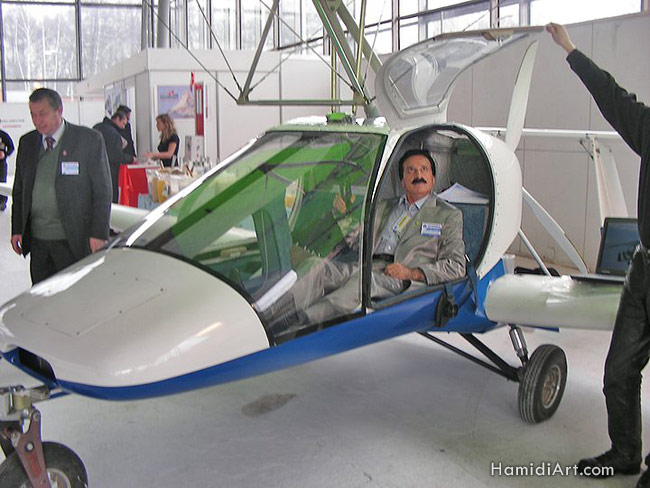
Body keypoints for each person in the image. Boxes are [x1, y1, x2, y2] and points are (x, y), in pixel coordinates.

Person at [547, 23, 650, 487]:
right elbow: (611, 96)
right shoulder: (649, 127)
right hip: (644, 268)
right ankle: (625, 453)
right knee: (618, 370)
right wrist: (569, 49)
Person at [283, 149, 466, 327]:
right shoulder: (384, 206)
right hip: (367, 267)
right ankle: (280, 313)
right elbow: (359, 244)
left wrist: (412, 273)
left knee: (361, 284)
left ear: (433, 179)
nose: (418, 175)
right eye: (411, 170)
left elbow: (456, 266)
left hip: (401, 277)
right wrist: (343, 216)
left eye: (424, 169)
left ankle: (300, 324)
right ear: (402, 180)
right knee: (315, 265)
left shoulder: (448, 215)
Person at [10, 88, 112, 284]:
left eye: (42, 114)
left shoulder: (88, 140)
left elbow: (102, 190)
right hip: (39, 242)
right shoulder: (27, 143)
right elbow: (20, 190)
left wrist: (99, 233)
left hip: (74, 240)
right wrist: (17, 228)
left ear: (59, 110)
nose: (37, 120)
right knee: (41, 293)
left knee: (75, 294)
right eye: (33, 114)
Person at [93, 110, 135, 203]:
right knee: (111, 199)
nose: (123, 127)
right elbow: (116, 156)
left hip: (94, 169)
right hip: (110, 171)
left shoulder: (97, 127)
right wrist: (131, 158)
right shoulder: (113, 134)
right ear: (117, 119)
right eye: (123, 124)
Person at [0, 123, 15, 211]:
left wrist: (5, 154)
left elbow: (11, 147)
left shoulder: (3, 135)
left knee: (2, 182)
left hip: (1, 164)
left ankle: (2, 202)